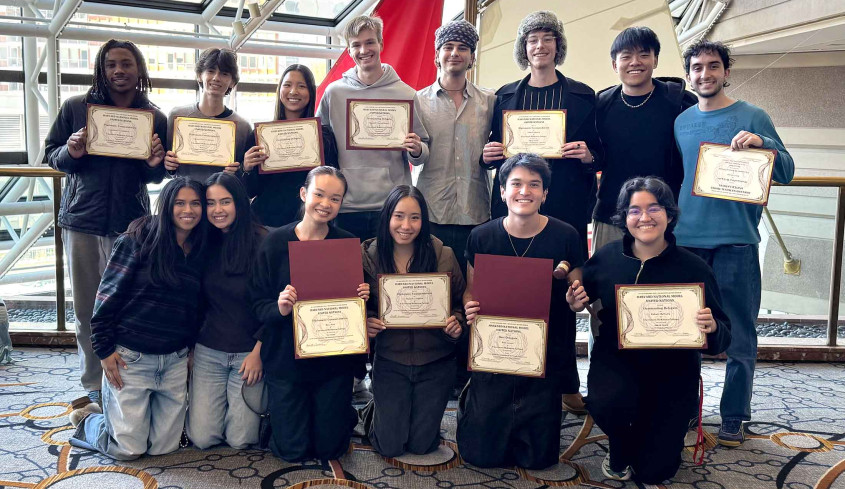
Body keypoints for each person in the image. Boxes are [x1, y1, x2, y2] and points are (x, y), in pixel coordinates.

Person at [567, 177, 731, 482]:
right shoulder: (606, 257)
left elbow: (724, 332)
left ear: (669, 215)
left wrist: (711, 328)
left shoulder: (694, 267)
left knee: (656, 472)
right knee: (609, 404)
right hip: (616, 364)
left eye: (653, 208)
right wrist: (574, 301)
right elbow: (582, 297)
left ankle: (654, 440)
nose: (644, 217)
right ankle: (619, 446)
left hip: (672, 373)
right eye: (634, 210)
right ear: (624, 218)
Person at [674, 40, 794, 446]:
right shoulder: (682, 121)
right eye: (697, 68)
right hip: (687, 242)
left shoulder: (752, 115)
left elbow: (788, 171)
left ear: (727, 71)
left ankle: (734, 416)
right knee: (687, 333)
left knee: (740, 334)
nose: (704, 74)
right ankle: (688, 407)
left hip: (737, 243)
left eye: (713, 66)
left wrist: (764, 145)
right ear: (689, 75)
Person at [479, 11, 599, 413]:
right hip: (516, 215)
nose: (540, 46)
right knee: (513, 293)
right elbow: (495, 153)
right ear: (523, 47)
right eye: (532, 39)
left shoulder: (583, 96)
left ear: (557, 46)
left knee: (561, 296)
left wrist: (588, 156)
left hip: (563, 211)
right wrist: (488, 155)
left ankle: (565, 381)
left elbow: (601, 150)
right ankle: (509, 365)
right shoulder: (505, 97)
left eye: (548, 38)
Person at [45, 39, 167, 406]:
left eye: (126, 64)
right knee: (85, 310)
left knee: (127, 307)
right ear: (101, 68)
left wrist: (152, 164)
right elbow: (51, 155)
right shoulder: (75, 108)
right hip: (82, 221)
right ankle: (92, 386)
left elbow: (157, 177)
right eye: (111, 64)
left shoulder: (154, 116)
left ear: (138, 69)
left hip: (131, 227)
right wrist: (72, 151)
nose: (119, 71)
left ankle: (125, 381)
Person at [457, 153, 584, 469]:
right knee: (481, 455)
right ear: (502, 191)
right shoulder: (482, 236)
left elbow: (577, 288)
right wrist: (469, 305)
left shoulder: (565, 235)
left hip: (544, 350)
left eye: (534, 184)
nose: (524, 191)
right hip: (494, 349)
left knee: (538, 459)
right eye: (516, 184)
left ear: (545, 193)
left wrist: (576, 299)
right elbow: (471, 290)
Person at [67, 177, 206, 460]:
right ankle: (90, 422)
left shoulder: (202, 249)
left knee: (163, 448)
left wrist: (191, 350)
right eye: (179, 203)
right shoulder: (136, 241)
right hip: (132, 358)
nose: (187, 210)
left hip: (174, 361)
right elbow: (105, 301)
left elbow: (197, 308)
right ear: (166, 205)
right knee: (129, 449)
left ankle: (113, 414)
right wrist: (104, 352)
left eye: (195, 203)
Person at [249, 166, 370, 462]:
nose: (325, 204)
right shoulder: (274, 242)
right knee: (293, 450)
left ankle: (340, 416)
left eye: (335, 198)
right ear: (304, 194)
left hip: (332, 360)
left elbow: (359, 308)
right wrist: (279, 307)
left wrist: (364, 297)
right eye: (319, 194)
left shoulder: (346, 244)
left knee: (330, 448)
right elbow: (256, 304)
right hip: (287, 359)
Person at [360, 185, 465, 457]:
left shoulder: (444, 255)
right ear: (387, 217)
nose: (406, 225)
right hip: (391, 361)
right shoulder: (367, 256)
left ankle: (398, 413)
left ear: (424, 220)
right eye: (399, 216)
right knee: (389, 446)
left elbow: (459, 303)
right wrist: (369, 321)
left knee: (422, 445)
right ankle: (377, 412)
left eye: (415, 217)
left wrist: (456, 323)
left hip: (436, 362)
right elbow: (360, 306)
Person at [316, 14, 430, 241]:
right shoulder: (334, 93)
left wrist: (416, 149)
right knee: (350, 274)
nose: (363, 50)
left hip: (391, 206)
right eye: (356, 45)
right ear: (348, 50)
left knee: (386, 273)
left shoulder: (406, 94)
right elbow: (319, 144)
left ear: (381, 44)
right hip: (345, 203)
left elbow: (423, 151)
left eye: (369, 42)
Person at [592, 26, 697, 254]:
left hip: (663, 216)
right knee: (606, 283)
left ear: (655, 60)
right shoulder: (600, 104)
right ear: (614, 64)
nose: (635, 62)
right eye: (626, 56)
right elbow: (596, 157)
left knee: (659, 286)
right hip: (612, 213)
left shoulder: (680, 102)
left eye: (644, 54)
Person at [186, 172, 267, 449]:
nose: (217, 210)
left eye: (225, 202)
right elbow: (194, 303)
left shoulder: (264, 241)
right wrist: (190, 350)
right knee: (202, 437)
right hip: (209, 350)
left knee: (240, 440)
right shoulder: (201, 242)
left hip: (250, 354)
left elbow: (279, 305)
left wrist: (259, 352)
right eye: (210, 203)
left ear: (240, 203)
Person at [414, 19, 495, 275]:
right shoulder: (417, 100)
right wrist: (415, 150)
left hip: (477, 210)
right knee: (435, 286)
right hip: (432, 210)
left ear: (472, 57)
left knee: (475, 289)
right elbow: (417, 157)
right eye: (448, 46)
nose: (455, 53)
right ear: (437, 54)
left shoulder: (490, 101)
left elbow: (499, 149)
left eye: (463, 47)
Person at [242, 64, 339, 227]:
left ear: (311, 92)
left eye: (301, 86)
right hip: (266, 225)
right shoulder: (260, 136)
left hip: (310, 224)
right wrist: (247, 168)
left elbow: (333, 183)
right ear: (280, 90)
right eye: (287, 85)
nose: (293, 91)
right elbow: (250, 191)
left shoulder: (324, 137)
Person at [165, 47, 250, 181]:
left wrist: (237, 172)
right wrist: (169, 166)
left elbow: (244, 174)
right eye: (211, 71)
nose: (216, 78)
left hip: (221, 199)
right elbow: (166, 170)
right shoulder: (177, 116)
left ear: (232, 82)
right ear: (199, 75)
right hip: (185, 196)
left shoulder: (243, 127)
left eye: (224, 74)